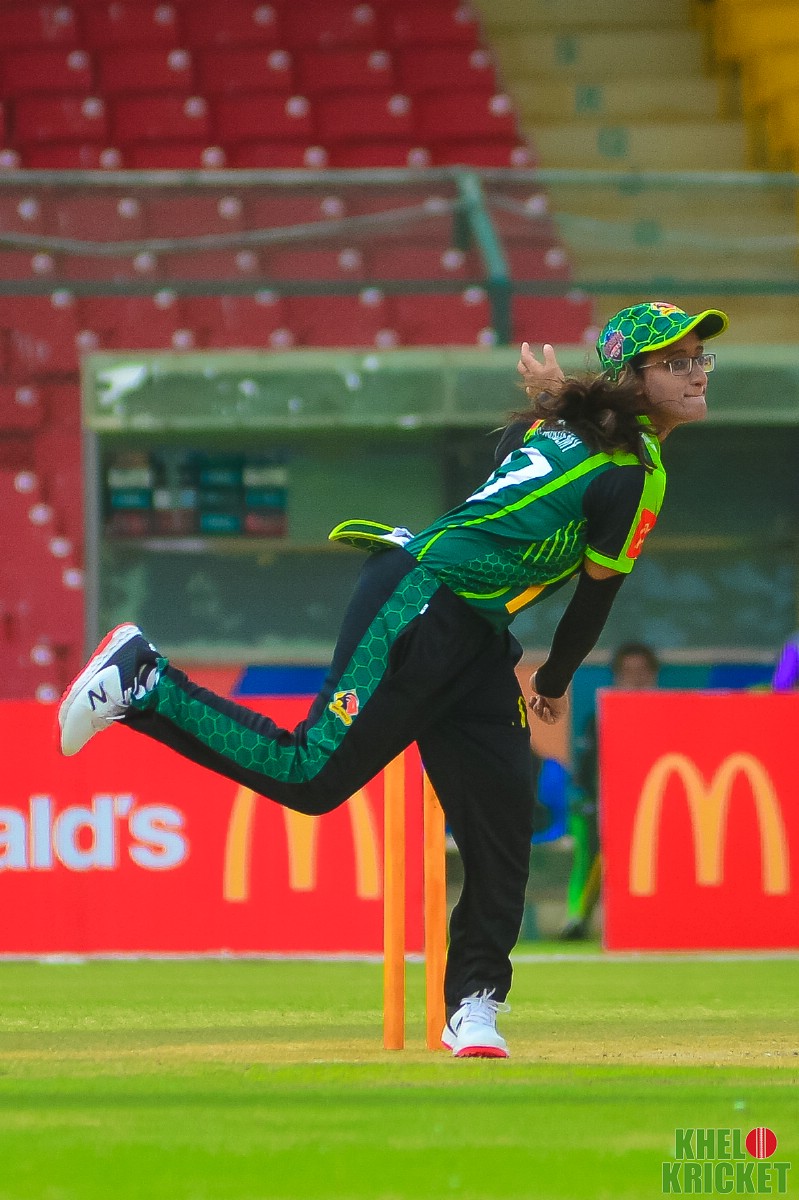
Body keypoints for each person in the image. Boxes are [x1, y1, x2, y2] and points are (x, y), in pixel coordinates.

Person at [58, 300, 728, 1058]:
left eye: (699, 358)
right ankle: (145, 681)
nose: (696, 373)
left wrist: (555, 398)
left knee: (502, 822)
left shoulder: (568, 429)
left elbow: (547, 463)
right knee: (310, 775)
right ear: (631, 379)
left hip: (475, 632)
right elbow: (595, 597)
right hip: (419, 601)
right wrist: (555, 679)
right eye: (676, 362)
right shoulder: (633, 474)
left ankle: (473, 1005)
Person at [560, 641, 660, 942]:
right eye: (628, 672)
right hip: (605, 807)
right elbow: (584, 772)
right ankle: (577, 918)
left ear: (653, 674)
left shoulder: (666, 716)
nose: (635, 679)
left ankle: (657, 920)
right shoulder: (600, 719)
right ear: (617, 676)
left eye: (642, 671)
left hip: (655, 807)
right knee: (590, 843)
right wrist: (591, 801)